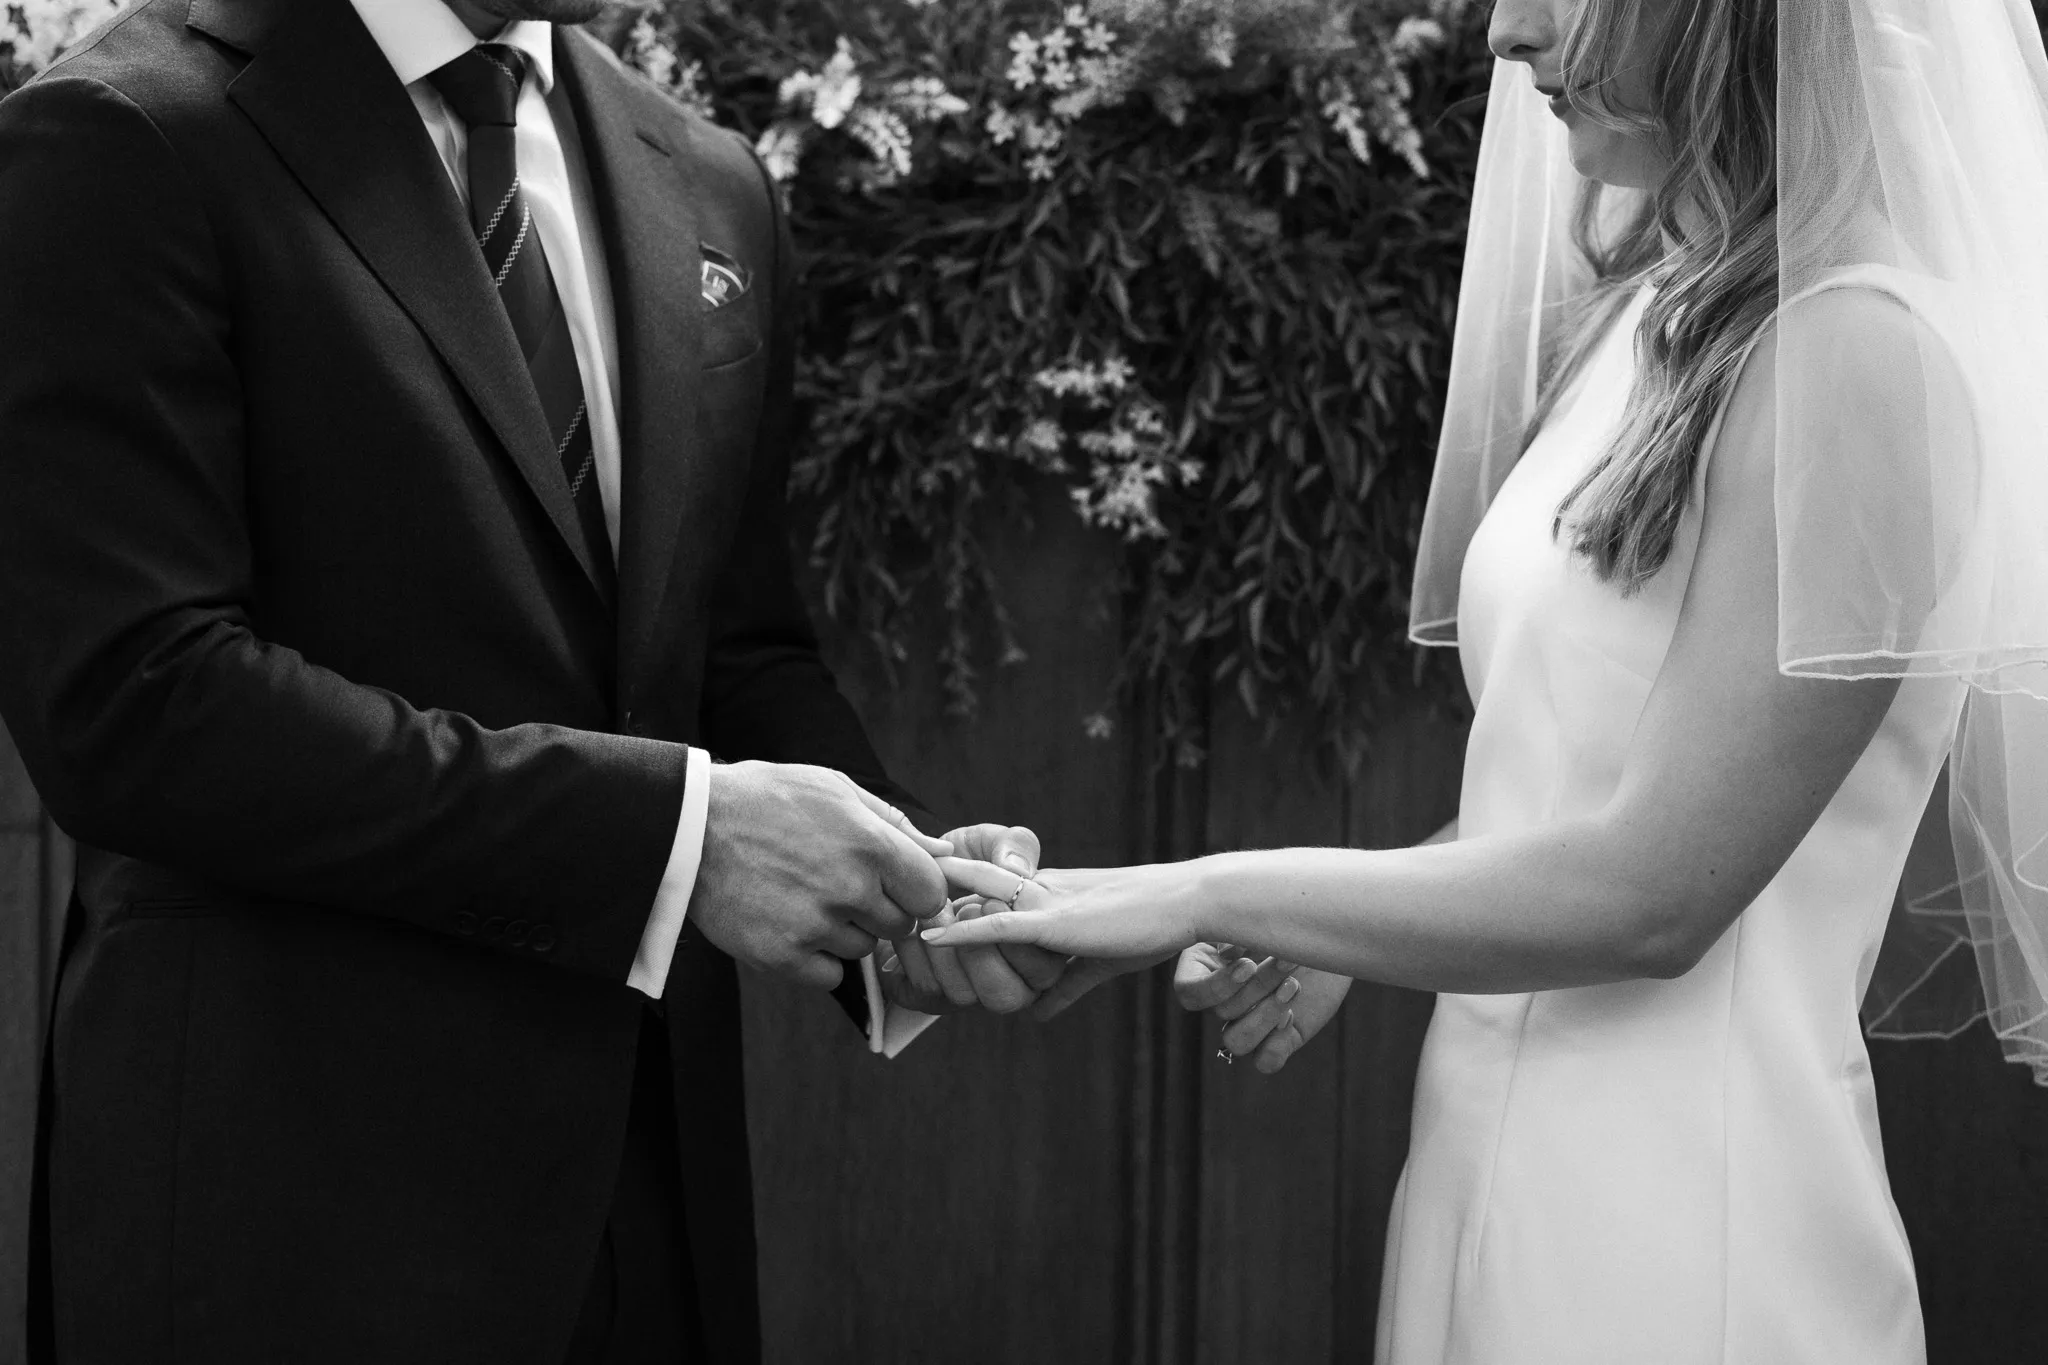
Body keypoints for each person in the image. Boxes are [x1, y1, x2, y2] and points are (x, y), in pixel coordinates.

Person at [931, 0, 2048, 1359]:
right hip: (1484, 1167)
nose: (1507, 33)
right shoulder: (1657, 316)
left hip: (1686, 1229)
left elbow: (1656, 893)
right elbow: (1582, 783)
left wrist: (1200, 890)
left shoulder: (1860, 356)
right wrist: (1341, 924)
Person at [0, 0, 1060, 1360]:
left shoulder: (708, 176)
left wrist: (915, 883)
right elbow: (138, 703)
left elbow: (730, 657)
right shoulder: (119, 138)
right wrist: (679, 838)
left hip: (648, 1227)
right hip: (283, 1222)